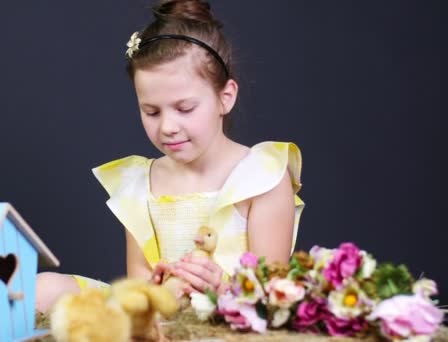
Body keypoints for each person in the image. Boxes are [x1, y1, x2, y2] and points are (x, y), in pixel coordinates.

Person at [35, 0, 304, 313]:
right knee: (43, 290)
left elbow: (273, 296)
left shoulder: (262, 177)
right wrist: (153, 291)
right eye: (151, 111)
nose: (167, 127)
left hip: (232, 315)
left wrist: (223, 288)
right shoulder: (141, 183)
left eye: (184, 109)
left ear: (225, 97)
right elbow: (138, 285)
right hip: (162, 316)